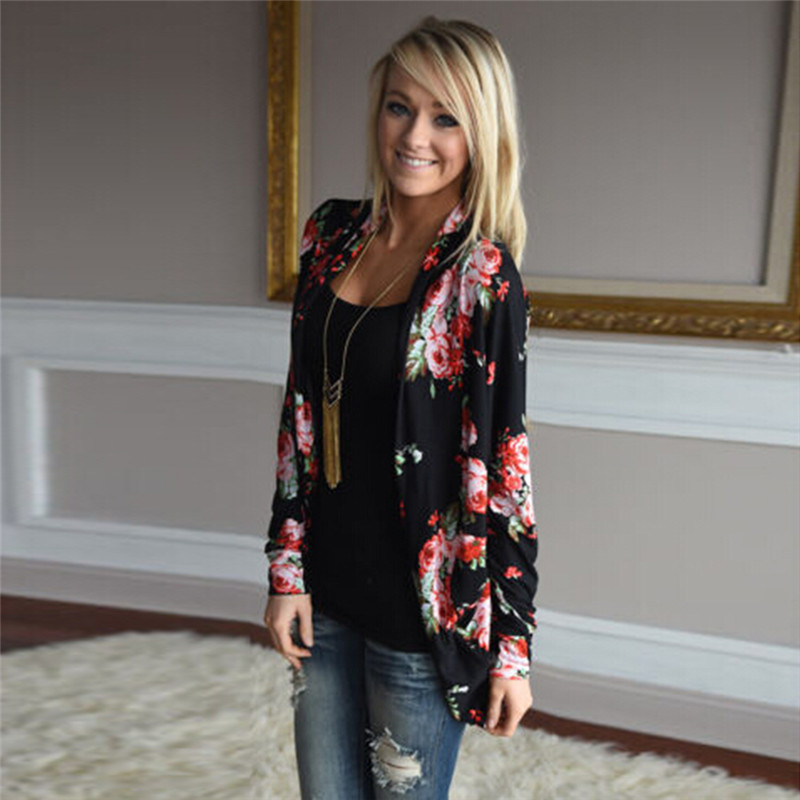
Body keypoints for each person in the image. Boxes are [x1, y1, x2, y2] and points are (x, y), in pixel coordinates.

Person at [263, 15, 538, 800]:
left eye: (446, 117)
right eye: (399, 107)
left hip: (421, 621)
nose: (416, 135)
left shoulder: (482, 276)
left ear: (481, 133)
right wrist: (286, 570)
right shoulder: (330, 234)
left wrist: (512, 648)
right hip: (324, 595)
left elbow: (507, 470)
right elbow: (300, 417)